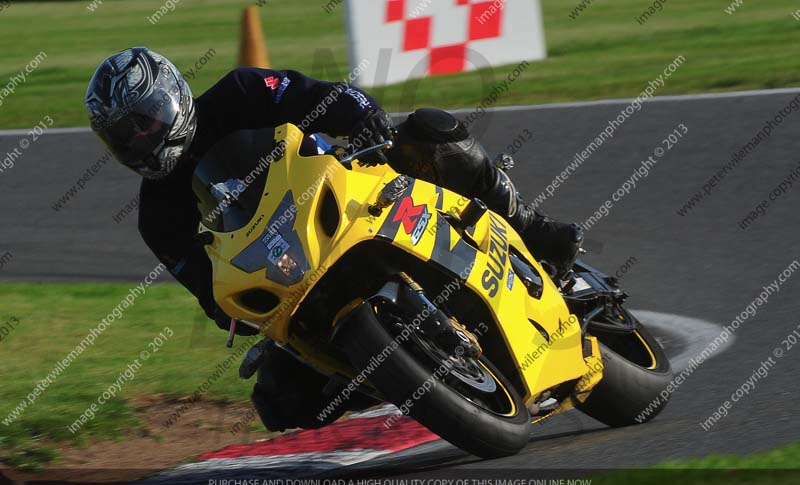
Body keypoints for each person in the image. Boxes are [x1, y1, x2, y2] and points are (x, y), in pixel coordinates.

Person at [85, 47, 583, 431]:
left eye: (142, 122)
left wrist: (359, 116)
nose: (138, 141)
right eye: (123, 137)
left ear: (171, 95)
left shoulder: (239, 92)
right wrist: (232, 313)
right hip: (292, 274)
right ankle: (385, 378)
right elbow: (208, 290)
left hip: (346, 197)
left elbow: (326, 96)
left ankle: (531, 228)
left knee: (429, 134)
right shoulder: (156, 216)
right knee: (277, 401)